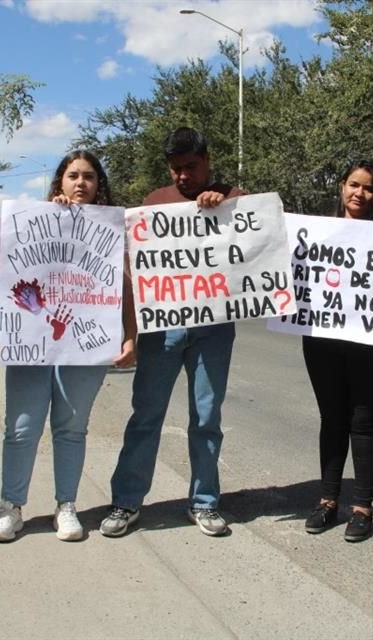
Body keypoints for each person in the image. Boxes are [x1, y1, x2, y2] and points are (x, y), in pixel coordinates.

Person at [100, 127, 244, 537]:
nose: (183, 175)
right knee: (146, 415)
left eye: (191, 167)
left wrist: (223, 208)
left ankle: (205, 502)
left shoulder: (235, 200)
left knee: (207, 417)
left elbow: (254, 253)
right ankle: (126, 501)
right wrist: (129, 332)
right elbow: (135, 269)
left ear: (208, 160)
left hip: (213, 329)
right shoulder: (153, 204)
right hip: (161, 330)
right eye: (175, 168)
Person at [0, 151, 137, 542]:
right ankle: (10, 507)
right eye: (73, 175)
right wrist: (51, 217)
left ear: (99, 184)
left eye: (88, 176)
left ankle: (66, 506)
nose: (80, 183)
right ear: (60, 182)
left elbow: (125, 286)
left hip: (85, 343)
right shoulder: (32, 220)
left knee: (71, 428)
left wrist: (130, 335)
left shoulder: (111, 228)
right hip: (32, 342)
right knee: (21, 428)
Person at [301, 160, 373, 543]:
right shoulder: (316, 234)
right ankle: (328, 500)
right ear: (342, 186)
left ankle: (362, 507)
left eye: (369, 187)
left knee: (364, 421)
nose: (359, 193)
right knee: (331, 418)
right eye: (353, 184)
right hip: (323, 339)